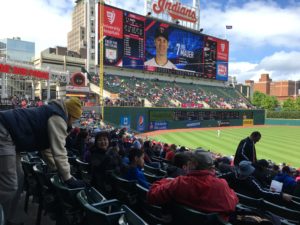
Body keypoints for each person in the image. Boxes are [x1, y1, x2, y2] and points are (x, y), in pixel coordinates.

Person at [0, 97, 86, 225]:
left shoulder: (54, 112)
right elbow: (59, 151)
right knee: (10, 185)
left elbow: (46, 149)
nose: (74, 122)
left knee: (19, 177)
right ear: (71, 115)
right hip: (4, 131)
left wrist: (57, 169)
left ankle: (7, 218)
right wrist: (68, 178)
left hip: (12, 138)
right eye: (75, 118)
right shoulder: (58, 117)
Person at [147, 151, 238, 221]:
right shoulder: (221, 185)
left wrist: (166, 180)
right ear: (211, 168)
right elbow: (232, 205)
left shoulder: (179, 183)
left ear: (191, 165)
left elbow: (151, 195)